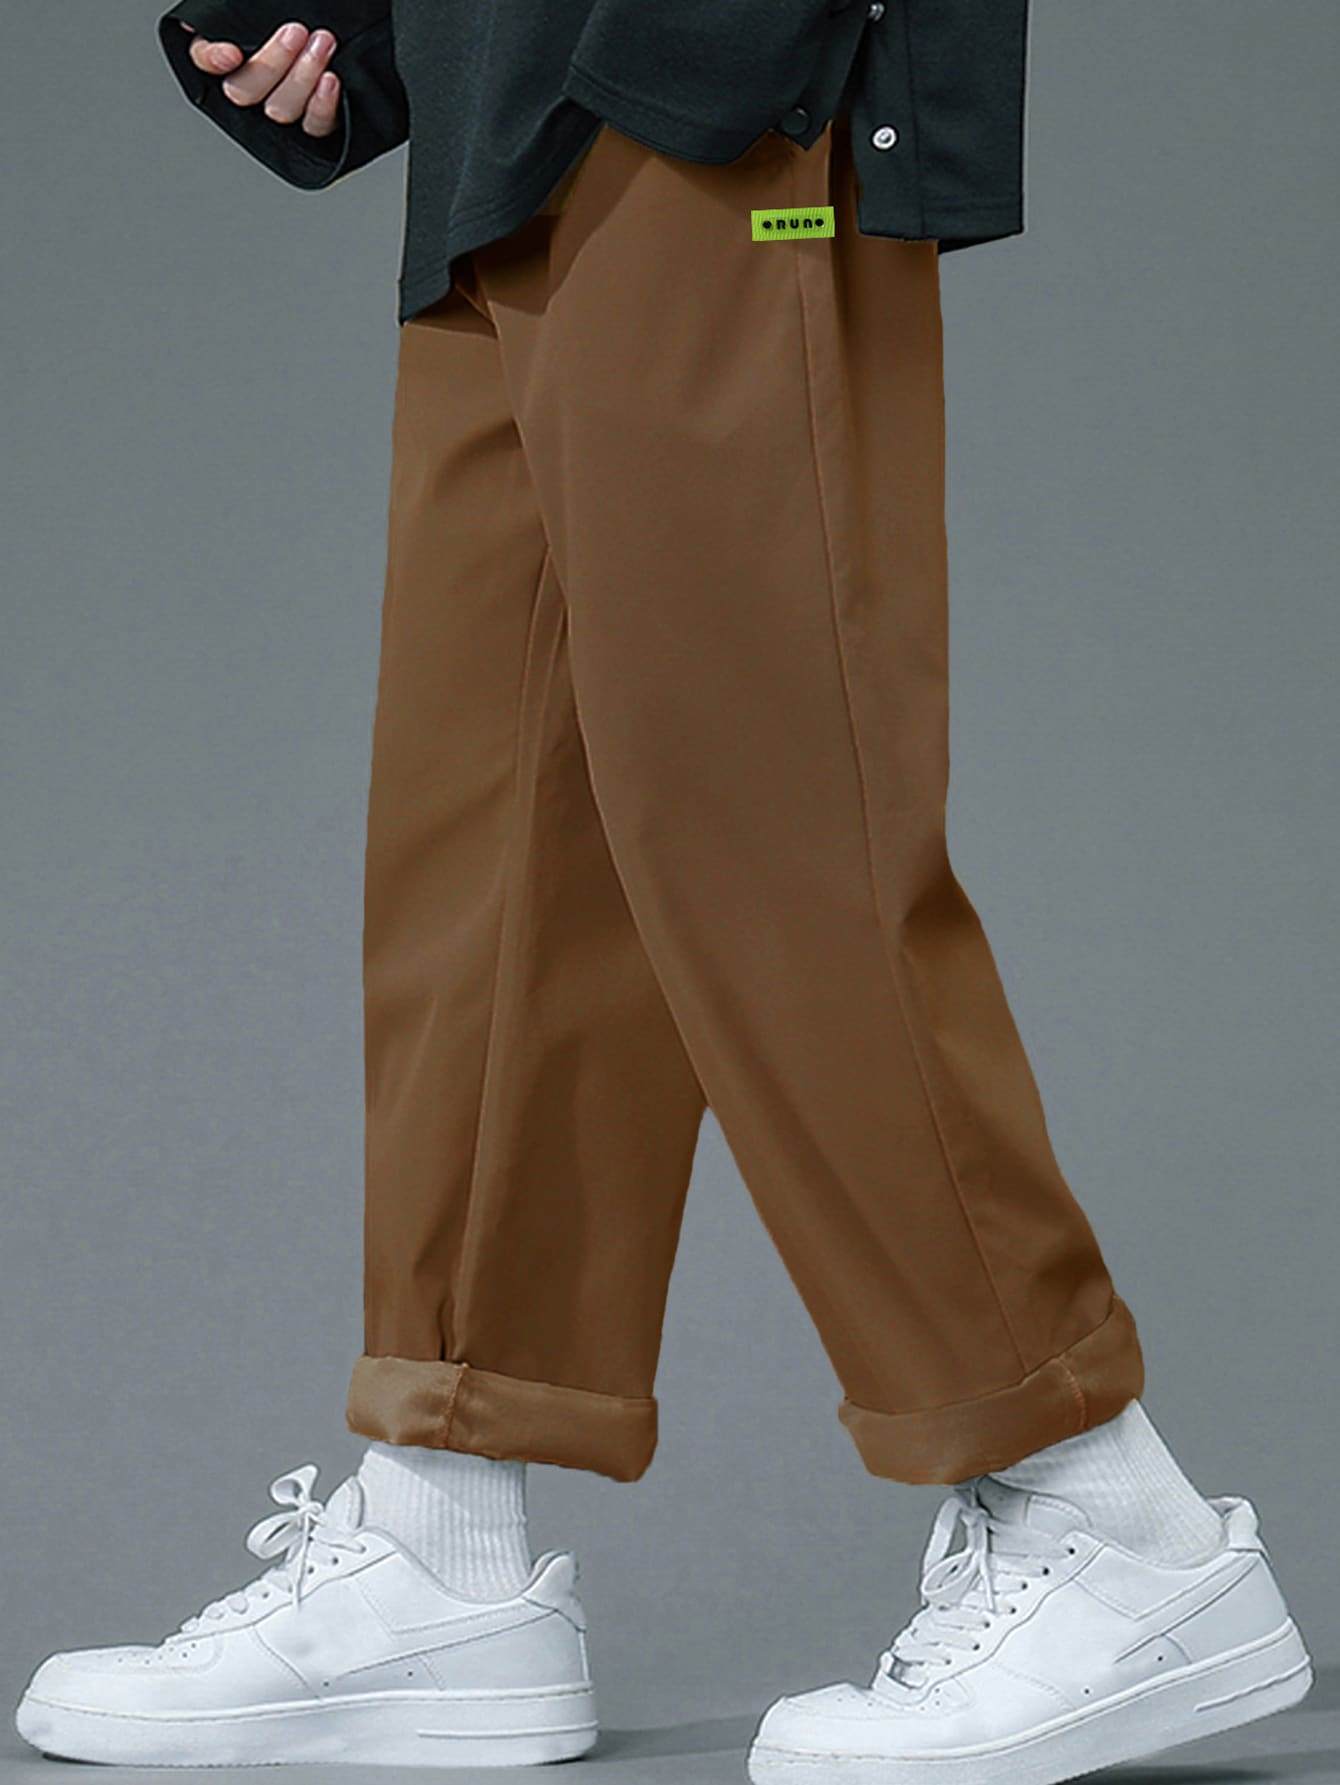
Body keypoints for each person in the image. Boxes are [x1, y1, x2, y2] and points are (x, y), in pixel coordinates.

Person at [15, 5, 1313, 1779]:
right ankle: (444, 1540)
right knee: (489, 845)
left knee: (772, 829)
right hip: (507, 104)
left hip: (720, 75)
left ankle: (1109, 1517)